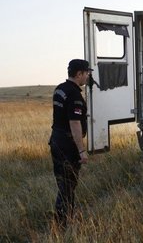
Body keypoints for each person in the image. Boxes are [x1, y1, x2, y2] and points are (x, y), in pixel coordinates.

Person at [49, 59, 92, 228]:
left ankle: (67, 217)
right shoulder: (74, 94)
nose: (87, 76)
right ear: (79, 74)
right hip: (67, 144)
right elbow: (75, 123)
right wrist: (81, 151)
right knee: (68, 184)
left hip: (56, 140)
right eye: (86, 73)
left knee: (64, 182)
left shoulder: (60, 89)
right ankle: (62, 224)